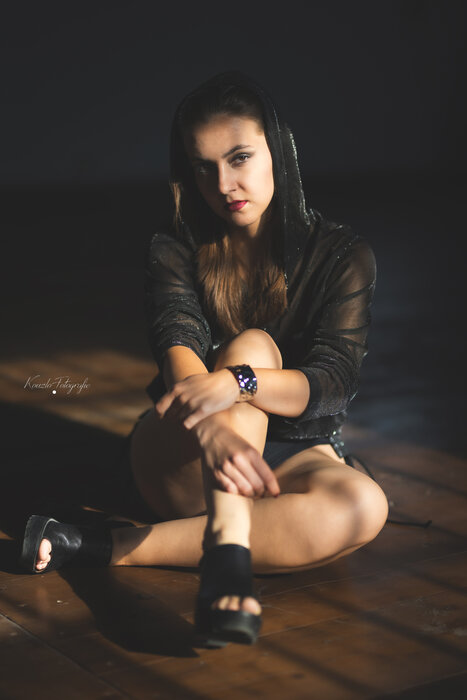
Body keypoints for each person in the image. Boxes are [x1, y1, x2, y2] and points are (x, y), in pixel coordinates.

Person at [19, 70, 389, 648]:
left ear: (278, 150)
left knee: (364, 505)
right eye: (204, 167)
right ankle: (227, 557)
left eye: (239, 158)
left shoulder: (343, 255)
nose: (224, 184)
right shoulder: (175, 246)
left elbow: (333, 381)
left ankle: (98, 545)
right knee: (253, 345)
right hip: (184, 449)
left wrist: (239, 384)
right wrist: (216, 425)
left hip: (287, 452)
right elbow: (179, 347)